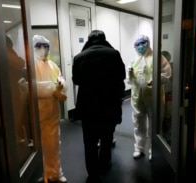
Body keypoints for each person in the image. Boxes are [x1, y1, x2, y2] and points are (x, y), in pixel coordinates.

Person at [72, 30, 126, 183]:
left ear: (88, 40)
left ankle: (93, 173)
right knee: (107, 136)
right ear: (104, 39)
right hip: (109, 104)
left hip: (88, 107)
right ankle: (104, 163)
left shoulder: (79, 57)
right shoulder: (114, 54)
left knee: (89, 141)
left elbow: (76, 80)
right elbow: (121, 76)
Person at [127, 35, 172, 160]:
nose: (140, 46)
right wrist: (130, 76)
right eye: (138, 44)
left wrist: (156, 79)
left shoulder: (158, 58)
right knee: (138, 123)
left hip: (154, 97)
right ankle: (139, 148)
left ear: (148, 43)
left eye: (143, 43)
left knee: (154, 124)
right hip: (137, 98)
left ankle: (154, 149)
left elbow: (167, 74)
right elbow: (129, 81)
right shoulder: (134, 59)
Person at [32, 35, 67, 183]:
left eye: (46, 46)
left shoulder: (53, 65)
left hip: (52, 110)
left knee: (54, 143)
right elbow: (29, 86)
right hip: (38, 111)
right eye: (39, 46)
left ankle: (55, 172)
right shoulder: (31, 65)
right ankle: (45, 173)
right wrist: (52, 89)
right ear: (34, 48)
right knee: (40, 147)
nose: (44, 49)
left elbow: (60, 80)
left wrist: (61, 85)